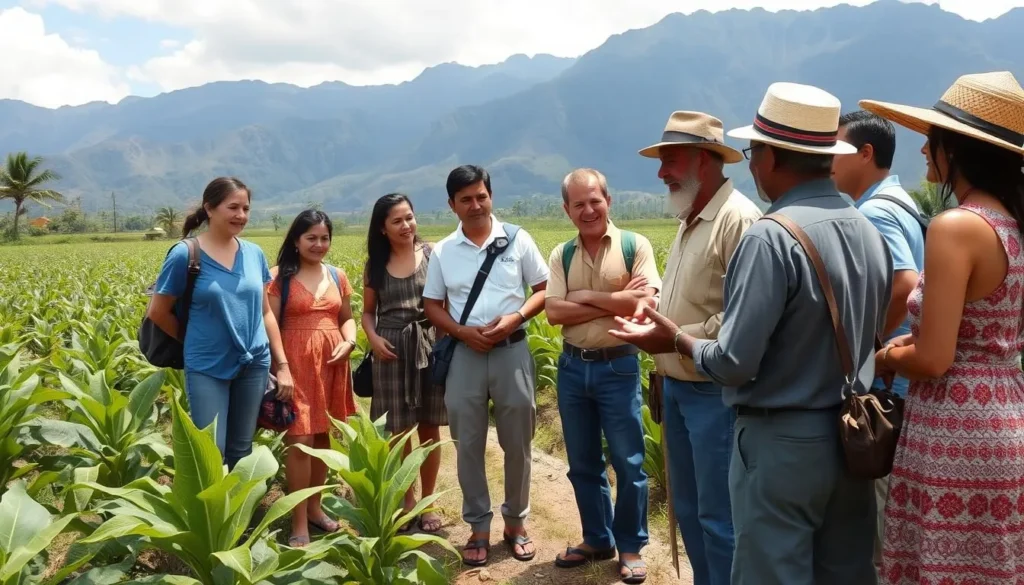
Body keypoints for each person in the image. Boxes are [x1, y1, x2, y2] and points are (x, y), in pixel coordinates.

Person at [611, 82, 893, 585]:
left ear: (769, 157)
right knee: (844, 571)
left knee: (770, 570)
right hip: (850, 436)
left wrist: (678, 339)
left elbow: (735, 360)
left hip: (781, 439)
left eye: (754, 151)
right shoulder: (864, 227)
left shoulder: (770, 234)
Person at [861, 71, 1024, 585]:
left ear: (956, 150)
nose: (925, 150)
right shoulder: (1009, 223)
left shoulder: (957, 226)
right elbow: (975, 331)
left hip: (954, 425)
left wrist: (884, 358)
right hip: (1004, 413)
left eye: (933, 140)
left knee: (941, 567)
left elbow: (935, 360)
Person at [634, 110, 761, 585]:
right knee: (688, 510)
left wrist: (671, 336)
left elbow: (743, 316)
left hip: (714, 393)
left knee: (719, 517)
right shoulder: (692, 217)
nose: (662, 172)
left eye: (670, 160)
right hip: (679, 389)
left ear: (704, 161)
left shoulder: (739, 220)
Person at [423, 164, 549, 567]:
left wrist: (516, 318)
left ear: (490, 196)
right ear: (451, 205)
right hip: (466, 355)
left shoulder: (517, 239)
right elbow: (432, 305)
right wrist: (462, 333)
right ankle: (478, 526)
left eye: (481, 196)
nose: (475, 205)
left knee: (518, 441)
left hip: (512, 350)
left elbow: (544, 289)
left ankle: (516, 523)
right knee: (468, 444)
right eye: (466, 199)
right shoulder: (443, 250)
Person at [545, 168, 661, 584]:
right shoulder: (563, 254)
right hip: (573, 368)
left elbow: (645, 304)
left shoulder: (635, 245)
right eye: (579, 203)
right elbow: (554, 311)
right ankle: (597, 537)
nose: (588, 209)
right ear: (567, 209)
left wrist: (588, 298)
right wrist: (617, 300)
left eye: (595, 200)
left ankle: (630, 546)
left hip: (619, 365)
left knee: (629, 462)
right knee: (582, 462)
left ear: (608, 201)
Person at [831, 109, 925, 571]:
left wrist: (867, 350)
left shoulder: (874, 210)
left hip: (889, 389)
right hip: (906, 383)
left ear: (865, 154)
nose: (828, 159)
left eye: (839, 147)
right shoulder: (901, 202)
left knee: (881, 535)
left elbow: (905, 283)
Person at [148, 176, 293, 469]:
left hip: (254, 364)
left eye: (246, 208)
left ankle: (237, 514)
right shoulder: (185, 255)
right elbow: (158, 312)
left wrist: (283, 366)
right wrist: (193, 340)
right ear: (210, 209)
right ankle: (210, 513)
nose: (241, 215)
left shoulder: (253, 253)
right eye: (233, 207)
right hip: (206, 365)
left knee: (241, 447)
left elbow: (265, 312)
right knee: (211, 451)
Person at [267, 209, 357, 546]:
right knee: (300, 442)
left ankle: (316, 509)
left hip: (332, 365)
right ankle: (299, 521)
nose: (319, 244)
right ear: (296, 240)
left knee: (322, 441)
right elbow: (270, 322)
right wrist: (281, 367)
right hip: (296, 365)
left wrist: (350, 340)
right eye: (311, 238)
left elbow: (346, 318)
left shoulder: (337, 275)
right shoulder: (279, 277)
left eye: (324, 238)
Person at [361, 193, 446, 534]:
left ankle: (429, 502)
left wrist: (445, 342)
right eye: (396, 220)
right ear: (382, 229)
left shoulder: (432, 254)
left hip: (428, 347)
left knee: (429, 428)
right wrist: (373, 337)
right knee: (397, 432)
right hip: (391, 350)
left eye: (409, 217)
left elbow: (446, 302)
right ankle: (405, 501)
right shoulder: (375, 266)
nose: (406, 225)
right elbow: (368, 312)